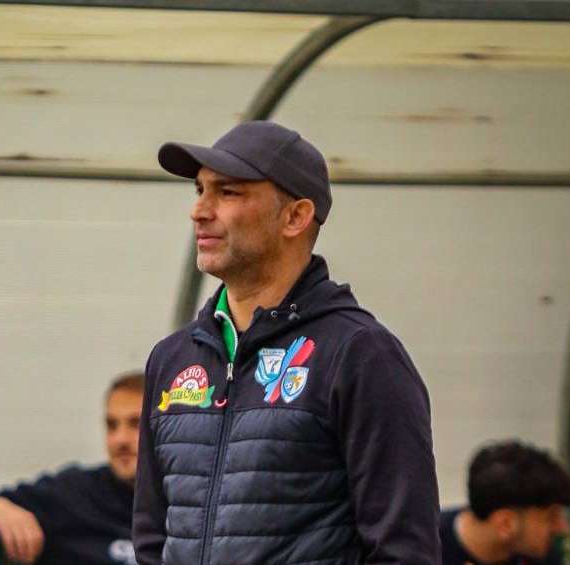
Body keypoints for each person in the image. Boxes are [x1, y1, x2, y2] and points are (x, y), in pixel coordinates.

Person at [133, 120, 441, 564]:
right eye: (199, 190)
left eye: (228, 192)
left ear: (295, 217)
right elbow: (151, 543)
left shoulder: (359, 354)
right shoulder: (172, 359)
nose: (199, 211)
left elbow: (404, 550)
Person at [0, 372, 144, 565]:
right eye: (111, 425)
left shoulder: (169, 505)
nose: (120, 439)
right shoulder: (75, 494)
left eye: (136, 424)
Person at [440, 440, 570, 565]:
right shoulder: (430, 548)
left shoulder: (543, 555)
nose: (563, 528)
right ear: (505, 524)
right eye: (551, 517)